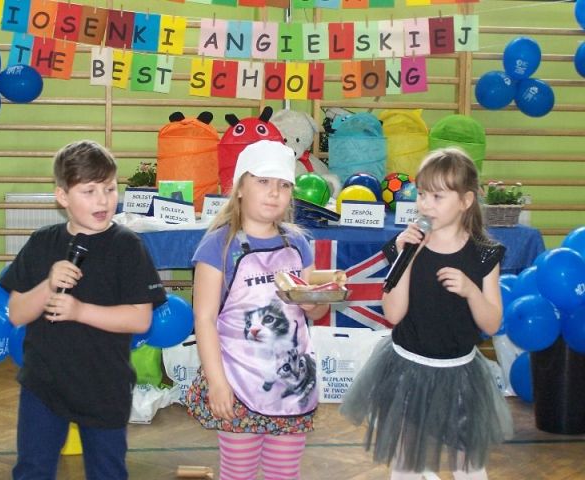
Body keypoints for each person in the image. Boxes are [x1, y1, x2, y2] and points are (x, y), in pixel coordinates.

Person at [340, 148, 514, 480]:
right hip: (408, 369)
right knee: (406, 458)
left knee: (468, 462)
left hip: (460, 373)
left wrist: (471, 291)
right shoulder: (405, 245)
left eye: (437, 196)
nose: (425, 204)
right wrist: (405, 257)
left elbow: (491, 323)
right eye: (421, 194)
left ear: (465, 201)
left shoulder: (483, 255)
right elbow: (393, 314)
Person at [0, 140, 167, 480]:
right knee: (32, 469)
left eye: (109, 188)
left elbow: (140, 318)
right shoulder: (42, 242)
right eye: (89, 191)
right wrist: (48, 285)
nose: (103, 200)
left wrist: (79, 311)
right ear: (62, 196)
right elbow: (16, 313)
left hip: (105, 385)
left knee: (107, 472)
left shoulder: (127, 246)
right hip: (44, 384)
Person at [185, 140, 328, 480]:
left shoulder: (298, 244)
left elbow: (315, 311)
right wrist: (218, 383)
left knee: (284, 472)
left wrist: (314, 302)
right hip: (238, 381)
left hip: (292, 384)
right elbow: (204, 319)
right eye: (263, 181)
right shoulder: (219, 245)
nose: (274, 192)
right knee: (238, 472)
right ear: (239, 188)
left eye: (284, 185)